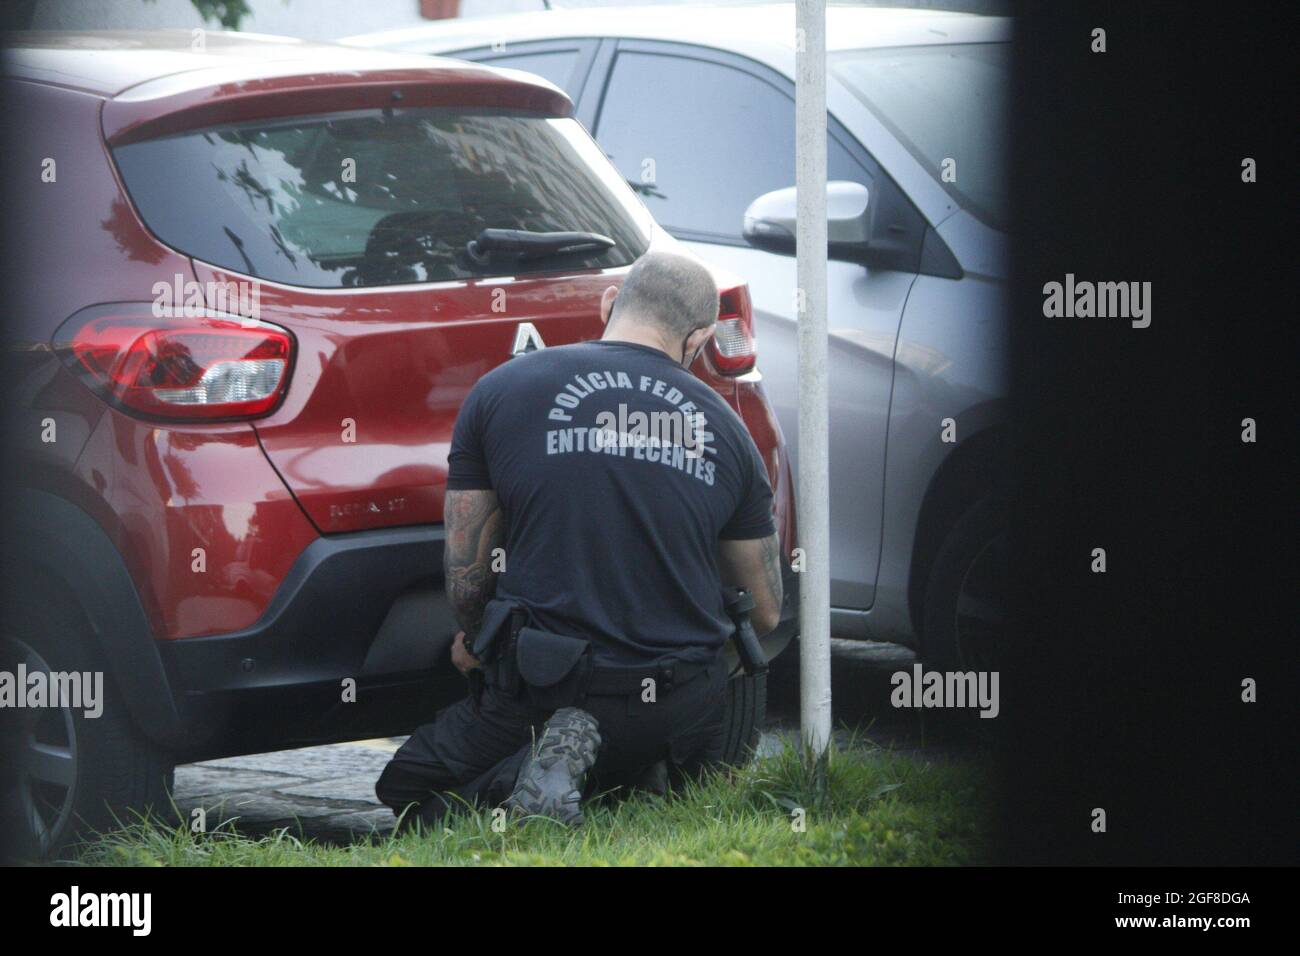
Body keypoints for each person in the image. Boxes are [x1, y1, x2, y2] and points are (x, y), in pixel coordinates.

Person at [375, 249, 784, 827]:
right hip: (676, 700)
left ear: (608, 303)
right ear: (698, 340)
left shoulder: (502, 390)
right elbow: (764, 613)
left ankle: (544, 770)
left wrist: (475, 641)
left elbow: (467, 569)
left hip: (546, 686)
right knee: (656, 733)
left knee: (410, 787)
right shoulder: (730, 429)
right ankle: (620, 776)